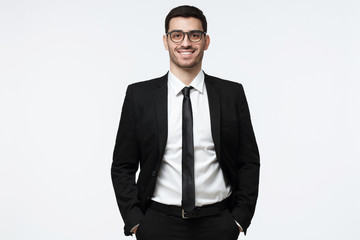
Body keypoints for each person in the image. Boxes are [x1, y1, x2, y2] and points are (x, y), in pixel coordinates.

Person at [111, 5, 260, 240]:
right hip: (158, 225)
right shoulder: (139, 96)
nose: (186, 43)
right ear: (166, 41)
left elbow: (248, 160)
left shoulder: (231, 94)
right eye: (177, 35)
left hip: (218, 223)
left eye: (195, 35)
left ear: (206, 41)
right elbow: (122, 165)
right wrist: (136, 222)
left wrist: (239, 219)